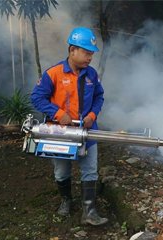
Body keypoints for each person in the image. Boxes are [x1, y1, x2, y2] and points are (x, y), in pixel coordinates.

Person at [30, 27, 107, 226]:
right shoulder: (53, 73)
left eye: (91, 53)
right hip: (60, 133)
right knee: (61, 172)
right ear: (72, 50)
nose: (90, 57)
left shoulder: (92, 75)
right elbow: (37, 98)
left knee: (90, 170)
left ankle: (89, 211)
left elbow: (99, 97)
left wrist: (92, 114)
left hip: (87, 131)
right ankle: (66, 200)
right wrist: (58, 114)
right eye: (86, 53)